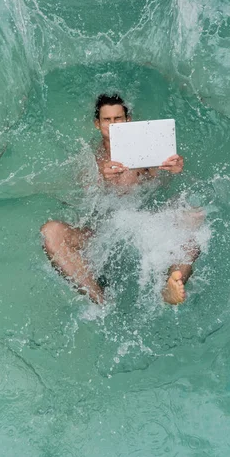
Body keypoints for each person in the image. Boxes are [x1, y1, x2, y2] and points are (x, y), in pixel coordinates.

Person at [40, 93, 200, 305]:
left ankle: (170, 286)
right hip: (103, 234)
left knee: (194, 217)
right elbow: (81, 203)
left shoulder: (145, 148)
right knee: (50, 233)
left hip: (143, 223)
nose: (113, 125)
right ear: (97, 124)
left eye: (118, 119)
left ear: (128, 120)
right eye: (107, 120)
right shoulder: (89, 158)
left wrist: (175, 170)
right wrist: (100, 181)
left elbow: (160, 183)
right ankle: (100, 301)